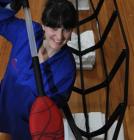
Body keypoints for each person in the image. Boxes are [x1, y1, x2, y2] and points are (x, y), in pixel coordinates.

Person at [0, 0, 77, 139]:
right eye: (54, 28)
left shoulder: (67, 69)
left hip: (28, 125)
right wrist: (11, 4)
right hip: (3, 103)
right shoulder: (27, 32)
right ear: (43, 26)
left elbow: (52, 107)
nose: (59, 37)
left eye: (66, 29)